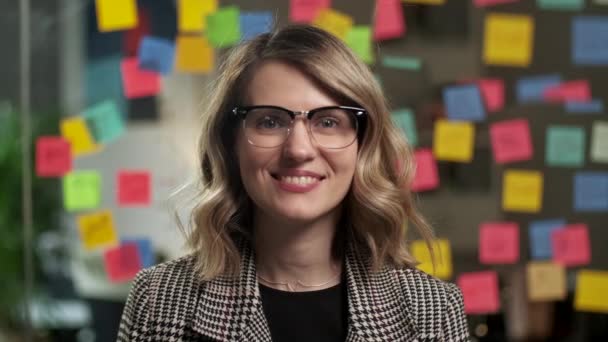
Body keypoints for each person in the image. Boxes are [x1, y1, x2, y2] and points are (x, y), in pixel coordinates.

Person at [117, 25, 470, 342]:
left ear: (362, 145)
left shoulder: (433, 312)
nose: (299, 149)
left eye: (328, 122)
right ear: (232, 144)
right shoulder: (159, 301)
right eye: (270, 121)